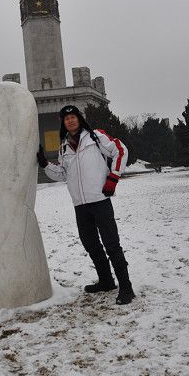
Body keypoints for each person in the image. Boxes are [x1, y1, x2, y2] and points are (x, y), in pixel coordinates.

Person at [37, 105, 135, 305]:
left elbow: (120, 150)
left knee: (111, 244)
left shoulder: (95, 136)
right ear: (63, 123)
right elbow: (63, 174)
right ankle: (106, 281)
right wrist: (45, 164)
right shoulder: (64, 147)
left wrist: (113, 178)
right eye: (67, 118)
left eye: (73, 117)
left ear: (79, 118)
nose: (70, 120)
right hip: (80, 205)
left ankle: (126, 287)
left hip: (100, 200)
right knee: (90, 244)